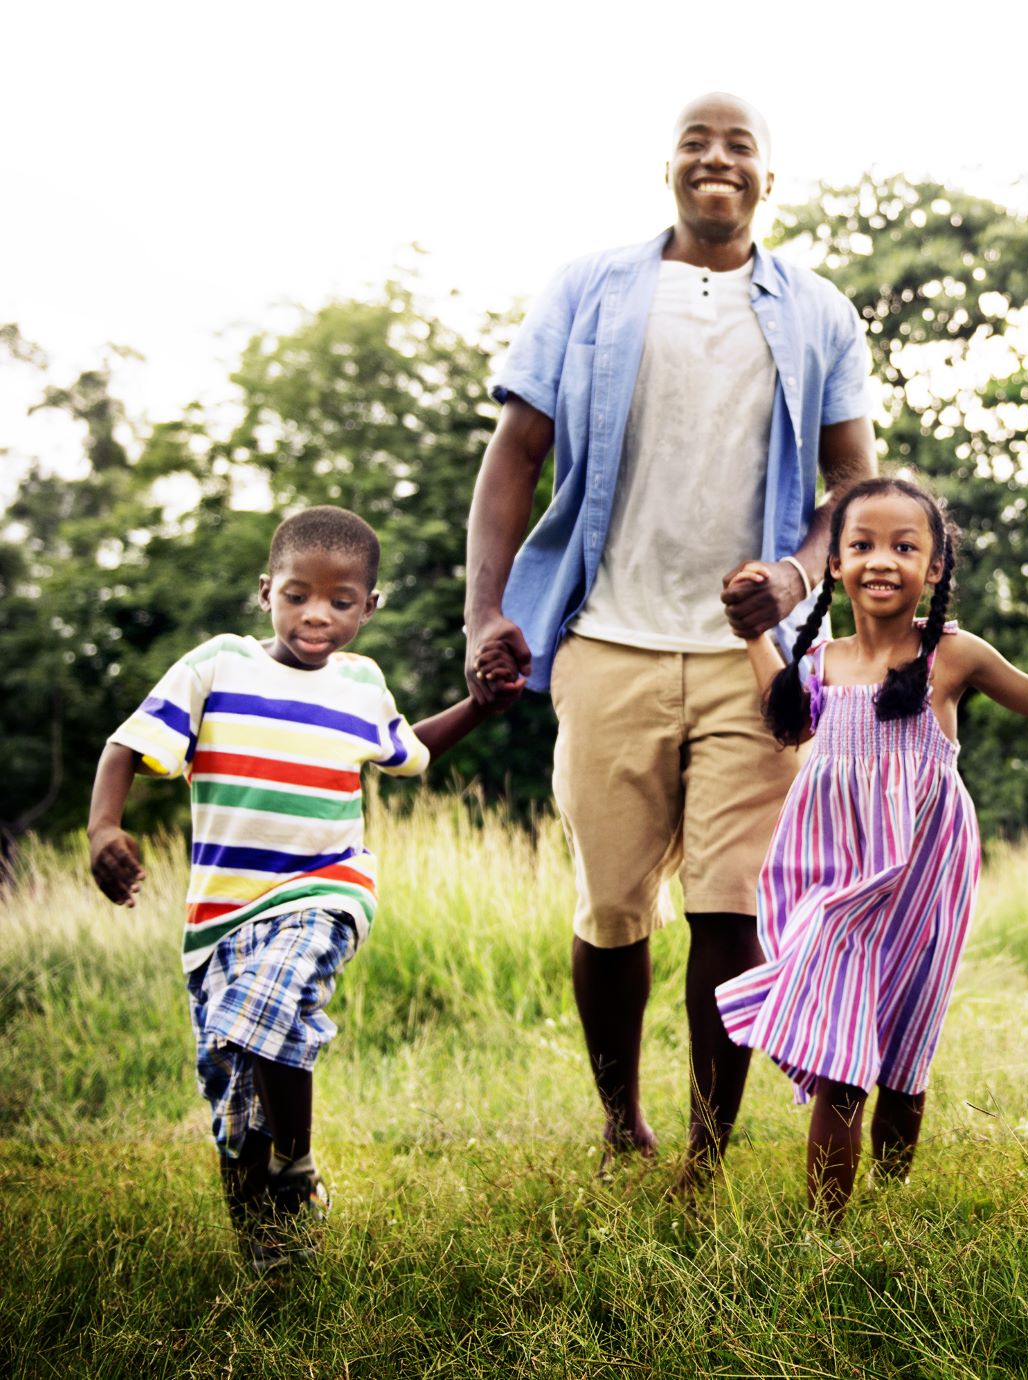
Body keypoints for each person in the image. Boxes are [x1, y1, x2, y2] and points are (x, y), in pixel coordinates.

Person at [464, 92, 877, 1191]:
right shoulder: (590, 290)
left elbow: (855, 488)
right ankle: (620, 1122)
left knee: (729, 910)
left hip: (757, 663)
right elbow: (514, 454)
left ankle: (706, 1153)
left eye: (741, 145)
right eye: (697, 141)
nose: (717, 158)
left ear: (767, 180)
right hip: (608, 642)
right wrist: (484, 611)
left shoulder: (819, 313)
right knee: (611, 909)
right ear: (668, 168)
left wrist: (797, 573)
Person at [86, 506, 512, 1269]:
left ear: (369, 608)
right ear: (266, 593)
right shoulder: (215, 665)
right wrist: (102, 830)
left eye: (341, 601)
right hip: (220, 918)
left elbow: (410, 752)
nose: (317, 614)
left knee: (273, 998)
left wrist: (481, 707)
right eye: (296, 595)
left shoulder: (361, 685)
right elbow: (125, 745)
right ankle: (270, 1254)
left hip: (325, 889)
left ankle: (299, 1158)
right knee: (233, 1100)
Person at [715, 476, 1028, 1220]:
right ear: (834, 564)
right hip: (835, 881)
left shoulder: (953, 655)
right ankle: (824, 1236)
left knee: (902, 1056)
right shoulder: (822, 661)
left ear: (933, 570)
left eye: (905, 547)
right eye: (862, 544)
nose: (882, 560)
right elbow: (787, 726)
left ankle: (893, 1206)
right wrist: (751, 636)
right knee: (842, 1063)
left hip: (923, 879)